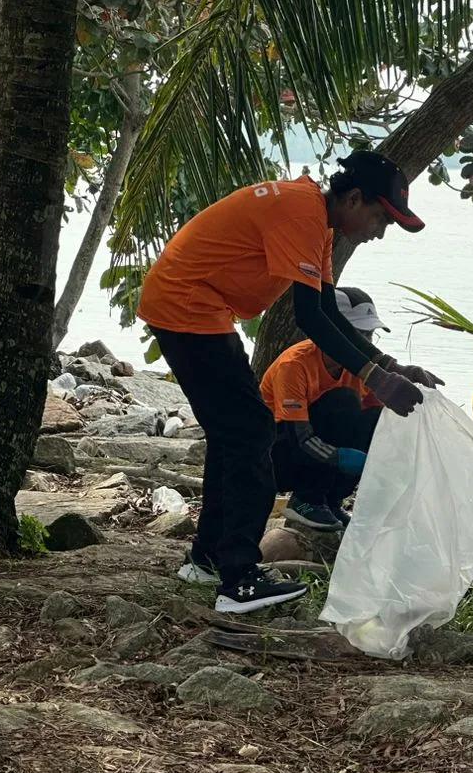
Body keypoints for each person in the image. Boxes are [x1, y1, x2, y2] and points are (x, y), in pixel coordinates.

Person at [138, 152, 441, 613]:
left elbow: (325, 311)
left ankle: (206, 560)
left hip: (202, 306)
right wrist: (377, 377)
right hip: (187, 303)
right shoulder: (301, 212)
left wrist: (390, 366)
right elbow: (308, 319)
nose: (379, 231)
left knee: (233, 433)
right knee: (251, 432)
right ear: (354, 198)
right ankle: (238, 579)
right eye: (381, 217)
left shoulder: (317, 221)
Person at [262, 287, 388, 532]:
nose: (365, 343)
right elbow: (299, 435)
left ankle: (331, 501)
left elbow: (377, 417)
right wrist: (338, 457)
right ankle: (307, 498)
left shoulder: (362, 369)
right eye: (359, 334)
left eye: (369, 335)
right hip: (277, 455)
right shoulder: (295, 365)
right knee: (344, 401)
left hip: (316, 451)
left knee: (376, 418)